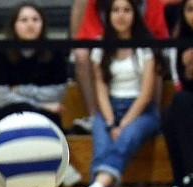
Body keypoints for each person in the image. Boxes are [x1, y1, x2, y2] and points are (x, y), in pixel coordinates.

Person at [0, 2, 82, 187]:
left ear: (42, 24)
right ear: (14, 25)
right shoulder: (0, 52)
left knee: (37, 114)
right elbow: (1, 96)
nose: (30, 24)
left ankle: (60, 164)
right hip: (10, 117)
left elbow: (56, 93)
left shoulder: (55, 51)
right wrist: (39, 101)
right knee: (20, 111)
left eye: (35, 19)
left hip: (46, 118)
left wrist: (20, 89)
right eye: (24, 20)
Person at [74, 0, 165, 187]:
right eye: (116, 10)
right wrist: (110, 121)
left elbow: (146, 95)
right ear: (108, 15)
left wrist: (122, 124)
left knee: (128, 136)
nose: (121, 16)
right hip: (110, 108)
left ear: (135, 15)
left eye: (126, 10)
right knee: (102, 140)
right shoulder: (101, 46)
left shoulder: (145, 47)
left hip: (141, 110)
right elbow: (101, 90)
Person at [70, 0, 169, 133]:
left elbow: (158, 36)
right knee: (81, 53)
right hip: (109, 50)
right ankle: (94, 117)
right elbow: (87, 36)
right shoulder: (95, 4)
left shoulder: (151, 3)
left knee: (154, 54)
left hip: (142, 51)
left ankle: (154, 116)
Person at [156, 0, 193, 187]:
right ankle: (181, 183)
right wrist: (189, 72)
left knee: (180, 104)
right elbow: (185, 86)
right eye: (189, 10)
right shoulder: (182, 43)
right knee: (170, 113)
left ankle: (187, 181)